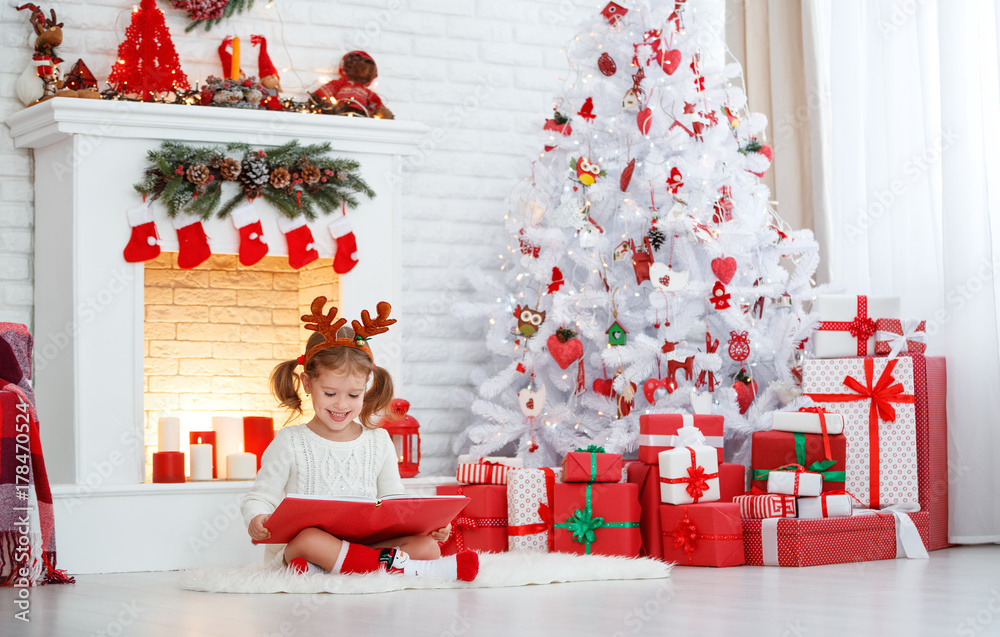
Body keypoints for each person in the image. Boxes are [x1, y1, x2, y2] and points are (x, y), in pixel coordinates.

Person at [240, 297, 478, 581]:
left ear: (366, 388)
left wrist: (427, 527)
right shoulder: (291, 441)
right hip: (304, 546)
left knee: (426, 546)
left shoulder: (377, 441)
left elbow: (394, 502)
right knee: (310, 539)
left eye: (353, 395)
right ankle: (405, 569)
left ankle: (337, 566)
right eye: (330, 393)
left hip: (363, 545)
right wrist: (257, 518)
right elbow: (259, 496)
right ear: (307, 384)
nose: (341, 404)